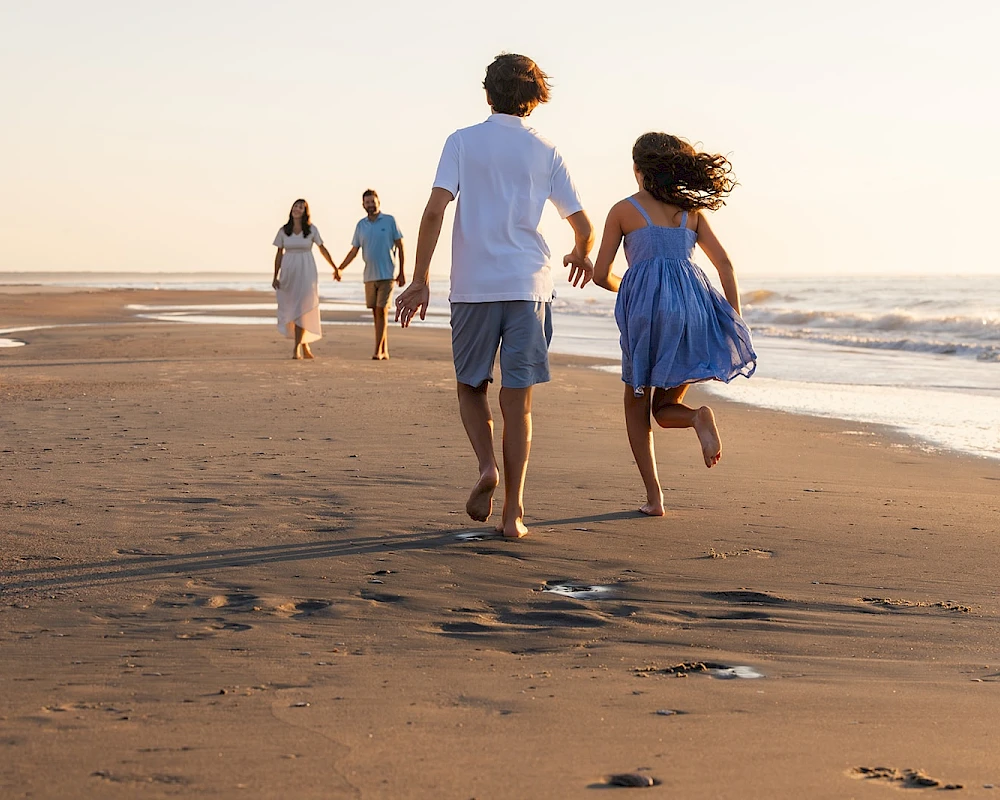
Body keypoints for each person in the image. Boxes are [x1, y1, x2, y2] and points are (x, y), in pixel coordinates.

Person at [394, 53, 594, 539]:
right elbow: (582, 225)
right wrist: (582, 254)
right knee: (518, 403)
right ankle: (514, 514)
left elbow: (433, 212)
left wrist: (420, 278)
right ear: (535, 97)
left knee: (470, 387)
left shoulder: (461, 142)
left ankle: (486, 466)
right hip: (529, 286)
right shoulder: (546, 150)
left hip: (473, 288)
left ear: (488, 93)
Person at [586, 132, 756, 516]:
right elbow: (724, 265)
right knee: (666, 407)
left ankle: (654, 497)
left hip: (648, 318)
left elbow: (601, 275)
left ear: (638, 170)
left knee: (637, 405)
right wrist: (734, 319)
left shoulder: (623, 210)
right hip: (692, 312)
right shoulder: (691, 213)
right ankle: (697, 417)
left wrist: (630, 288)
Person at [337, 190, 405, 360]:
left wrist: (402, 272)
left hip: (387, 274)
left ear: (378, 202)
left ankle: (378, 350)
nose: (370, 205)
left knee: (382, 310)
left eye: (373, 202)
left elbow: (401, 246)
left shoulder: (389, 221)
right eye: (367, 202)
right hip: (369, 275)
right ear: (363, 205)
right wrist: (340, 268)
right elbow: (354, 250)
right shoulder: (361, 225)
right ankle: (385, 349)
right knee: (376, 313)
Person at [272, 199, 340, 359]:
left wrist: (335, 267)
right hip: (289, 272)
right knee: (292, 307)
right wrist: (275, 276)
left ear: (305, 211)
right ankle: (304, 344)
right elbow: (278, 254)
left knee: (303, 307)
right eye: (295, 206)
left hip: (306, 271)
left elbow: (322, 249)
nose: (297, 209)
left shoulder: (311, 230)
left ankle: (297, 347)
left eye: (301, 207)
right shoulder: (284, 230)